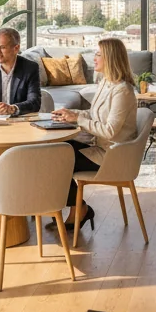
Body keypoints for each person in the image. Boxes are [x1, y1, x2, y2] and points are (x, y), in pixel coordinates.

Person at [51, 38, 138, 232]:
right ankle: (76, 208)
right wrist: (72, 114)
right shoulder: (106, 82)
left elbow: (110, 131)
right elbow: (93, 115)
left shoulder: (122, 91)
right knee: (54, 150)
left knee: (56, 159)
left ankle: (78, 209)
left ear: (110, 58)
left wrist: (78, 120)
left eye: (98, 54)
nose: (94, 58)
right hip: (98, 147)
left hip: (111, 155)